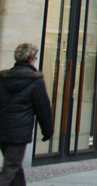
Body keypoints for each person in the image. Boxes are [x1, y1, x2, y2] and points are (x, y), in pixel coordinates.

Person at [0, 43, 54, 186]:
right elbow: (43, 109)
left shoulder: (3, 78)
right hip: (19, 133)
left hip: (3, 129)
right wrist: (48, 131)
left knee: (14, 166)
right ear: (31, 59)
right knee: (11, 167)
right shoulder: (35, 80)